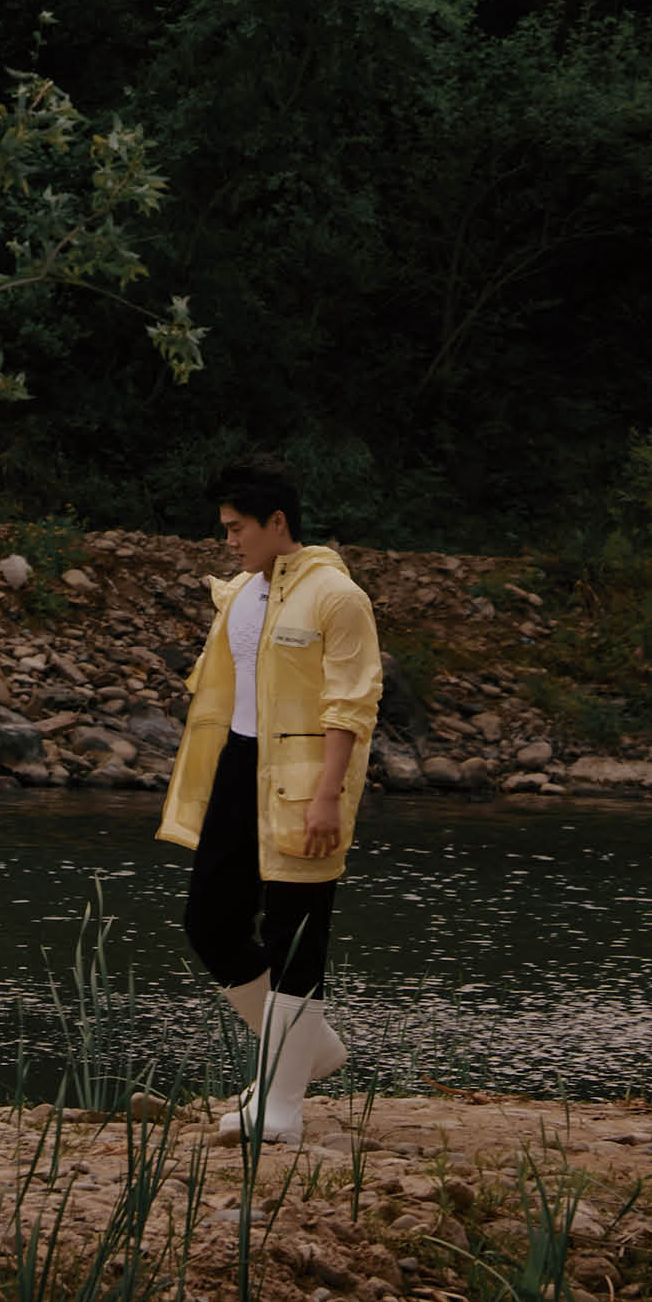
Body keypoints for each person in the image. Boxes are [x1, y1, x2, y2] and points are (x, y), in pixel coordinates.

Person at [156, 457, 383, 1146]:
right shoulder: (243, 593)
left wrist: (328, 795)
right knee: (209, 921)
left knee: (295, 932)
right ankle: (310, 1052)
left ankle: (280, 1106)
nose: (228, 540)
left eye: (237, 527)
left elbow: (352, 703)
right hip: (239, 765)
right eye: (224, 528)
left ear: (276, 521)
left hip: (306, 780)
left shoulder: (337, 595)